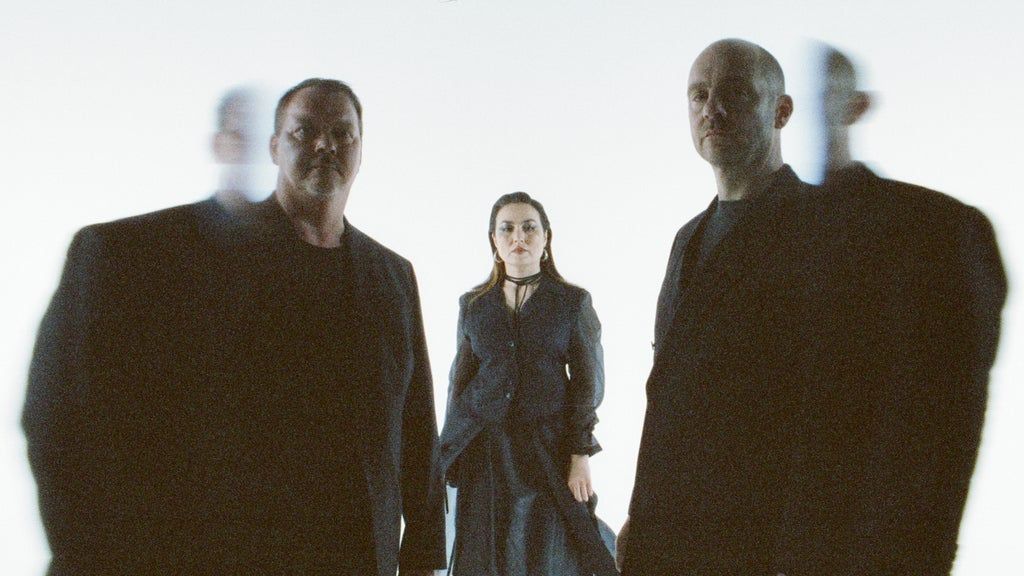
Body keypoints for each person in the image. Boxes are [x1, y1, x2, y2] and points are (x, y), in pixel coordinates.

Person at [23, 78, 446, 575]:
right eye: (304, 131)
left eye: (341, 133)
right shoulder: (201, 257)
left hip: (357, 556)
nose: (324, 145)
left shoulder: (392, 275)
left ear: (360, 151)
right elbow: (79, 417)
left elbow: (416, 427)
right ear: (274, 147)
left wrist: (422, 558)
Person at [618, 38, 1007, 575]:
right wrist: (640, 515)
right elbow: (668, 394)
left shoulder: (826, 230)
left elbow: (848, 410)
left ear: (782, 111)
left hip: (761, 543)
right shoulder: (688, 239)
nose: (713, 109)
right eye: (699, 95)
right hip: (673, 537)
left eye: (736, 93)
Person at [803, 45, 1007, 574]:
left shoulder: (939, 231)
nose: (806, 115)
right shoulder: (761, 244)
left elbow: (953, 416)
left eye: (822, 95)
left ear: (857, 106)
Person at [437, 192, 617, 576]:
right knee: (485, 554)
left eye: (529, 227)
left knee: (547, 549)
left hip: (546, 448)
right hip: (484, 449)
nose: (518, 236)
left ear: (546, 237)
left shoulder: (571, 302)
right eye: (507, 228)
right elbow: (459, 383)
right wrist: (449, 452)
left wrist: (580, 454)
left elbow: (587, 384)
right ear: (494, 240)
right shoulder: (473, 304)